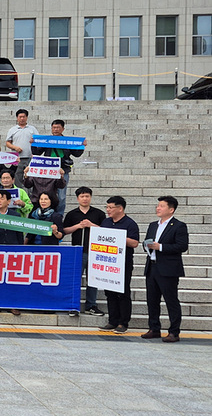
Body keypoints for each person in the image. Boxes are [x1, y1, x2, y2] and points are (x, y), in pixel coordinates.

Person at [142, 196, 189, 343]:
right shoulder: (153, 225)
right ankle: (154, 328)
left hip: (168, 269)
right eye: (158, 206)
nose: (158, 208)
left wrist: (160, 247)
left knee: (171, 300)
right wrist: (148, 246)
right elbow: (148, 242)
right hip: (152, 266)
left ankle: (174, 332)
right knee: (152, 300)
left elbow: (182, 246)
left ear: (171, 209)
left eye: (161, 206)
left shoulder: (178, 226)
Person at [96, 196, 140, 334]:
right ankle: (112, 321)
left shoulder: (130, 223)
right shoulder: (106, 222)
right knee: (109, 292)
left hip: (123, 263)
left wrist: (117, 237)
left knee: (122, 292)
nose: (108, 210)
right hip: (108, 262)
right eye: (107, 207)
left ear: (120, 208)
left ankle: (123, 322)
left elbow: (134, 243)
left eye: (110, 207)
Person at [62, 186, 106, 317]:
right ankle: (73, 305)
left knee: (93, 280)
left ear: (90, 197)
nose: (85, 199)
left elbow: (105, 230)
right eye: (82, 196)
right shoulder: (72, 214)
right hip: (77, 251)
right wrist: (78, 226)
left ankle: (91, 305)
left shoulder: (98, 213)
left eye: (87, 196)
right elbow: (64, 230)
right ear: (77, 198)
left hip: (94, 251)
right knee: (75, 279)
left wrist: (91, 225)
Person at [30, 119, 86, 213]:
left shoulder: (67, 141)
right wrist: (33, 144)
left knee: (61, 196)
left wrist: (82, 146)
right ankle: (46, 213)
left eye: (58, 128)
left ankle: (59, 215)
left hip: (62, 171)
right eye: (54, 127)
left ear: (63, 129)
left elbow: (77, 153)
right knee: (46, 194)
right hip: (48, 171)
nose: (55, 129)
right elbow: (37, 152)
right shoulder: (47, 141)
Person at [5, 108, 38, 188]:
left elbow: (39, 141)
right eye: (20, 117)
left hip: (30, 157)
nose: (22, 118)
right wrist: (15, 147)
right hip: (17, 158)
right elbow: (7, 143)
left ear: (27, 117)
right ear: (17, 118)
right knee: (18, 177)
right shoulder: (13, 130)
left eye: (24, 116)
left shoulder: (32, 129)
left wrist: (34, 141)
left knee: (30, 177)